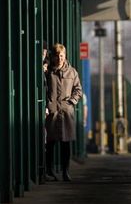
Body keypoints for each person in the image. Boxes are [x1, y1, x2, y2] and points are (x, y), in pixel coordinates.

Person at [45, 43, 83, 182]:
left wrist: (71, 102)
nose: (60, 59)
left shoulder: (72, 72)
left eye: (62, 56)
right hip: (52, 113)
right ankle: (49, 170)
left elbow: (78, 90)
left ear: (65, 56)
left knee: (65, 144)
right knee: (50, 143)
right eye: (57, 56)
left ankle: (65, 171)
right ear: (53, 57)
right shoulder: (48, 72)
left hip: (66, 113)